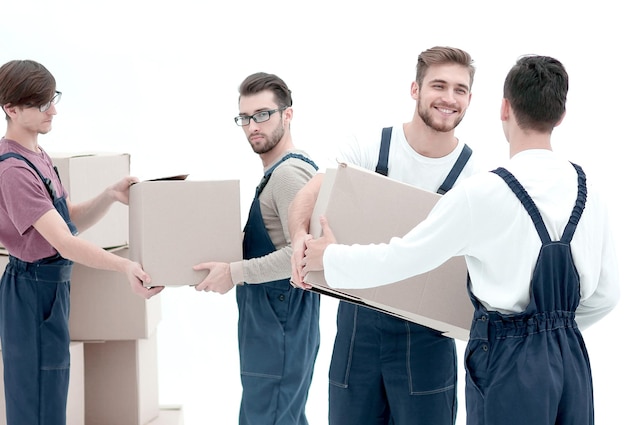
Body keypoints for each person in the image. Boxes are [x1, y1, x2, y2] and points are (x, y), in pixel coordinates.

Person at [301, 55, 620, 425]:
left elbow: (405, 258)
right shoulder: (590, 190)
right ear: (561, 115)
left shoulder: (482, 191)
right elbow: (607, 295)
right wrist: (553, 333)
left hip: (506, 357)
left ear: (504, 108)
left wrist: (331, 260)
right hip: (571, 360)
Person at [289, 46, 477, 425]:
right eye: (438, 85)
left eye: (460, 89)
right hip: (357, 333)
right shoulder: (369, 147)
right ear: (415, 89)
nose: (449, 98)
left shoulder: (476, 176)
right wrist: (298, 239)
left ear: (470, 99)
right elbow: (311, 193)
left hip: (429, 341)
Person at [0, 59, 164, 425]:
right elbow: (64, 241)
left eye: (52, 98)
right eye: (41, 103)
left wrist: (109, 195)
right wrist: (124, 266)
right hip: (31, 292)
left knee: (51, 398)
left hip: (50, 291)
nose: (53, 110)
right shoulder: (12, 169)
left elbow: (67, 218)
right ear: (10, 108)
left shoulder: (38, 156)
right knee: (36, 406)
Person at [193, 72, 320, 425]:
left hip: (279, 329)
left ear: (287, 115)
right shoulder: (275, 174)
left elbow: (303, 255)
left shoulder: (288, 175)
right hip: (270, 328)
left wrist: (234, 272)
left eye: (263, 114)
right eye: (245, 118)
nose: (253, 126)